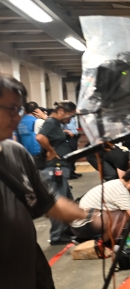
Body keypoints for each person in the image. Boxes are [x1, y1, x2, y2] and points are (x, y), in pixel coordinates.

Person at [0, 74, 107, 289]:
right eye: (10, 109)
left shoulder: (14, 153)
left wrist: (94, 218)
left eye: (19, 109)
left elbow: (48, 202)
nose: (17, 117)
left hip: (34, 285)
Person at [36, 101, 77, 245]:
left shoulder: (54, 123)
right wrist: (52, 151)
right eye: (69, 116)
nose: (70, 120)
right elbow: (40, 137)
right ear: (60, 111)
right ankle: (57, 236)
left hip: (59, 167)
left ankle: (66, 231)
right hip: (54, 168)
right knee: (58, 203)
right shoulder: (51, 122)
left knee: (68, 202)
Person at [70, 167, 130, 240]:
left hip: (80, 223)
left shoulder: (116, 183)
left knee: (123, 211)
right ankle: (106, 242)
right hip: (83, 227)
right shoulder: (121, 192)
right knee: (124, 214)